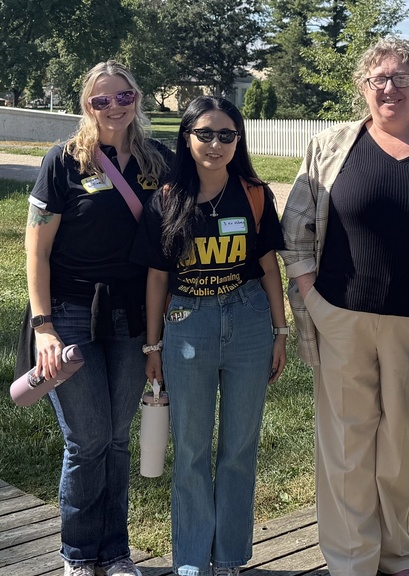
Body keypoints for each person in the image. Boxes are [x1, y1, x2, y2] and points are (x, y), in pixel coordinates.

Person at [279, 37, 409, 576]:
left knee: (397, 446)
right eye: (378, 79)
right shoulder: (330, 145)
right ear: (363, 89)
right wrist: (313, 297)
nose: (389, 88)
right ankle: (352, 560)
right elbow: (295, 229)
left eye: (400, 78)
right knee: (347, 446)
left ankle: (396, 552)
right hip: (341, 315)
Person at [22, 60, 173, 576]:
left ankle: (115, 552)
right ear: (86, 106)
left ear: (138, 98)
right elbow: (36, 252)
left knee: (115, 438)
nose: (114, 107)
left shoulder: (159, 163)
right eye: (101, 100)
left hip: (133, 318)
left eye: (123, 96)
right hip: (67, 313)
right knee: (87, 440)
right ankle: (79, 554)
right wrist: (43, 325)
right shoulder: (63, 162)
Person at [131, 96, 287, 576]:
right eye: (205, 134)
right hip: (186, 326)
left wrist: (281, 331)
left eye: (226, 135)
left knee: (239, 448)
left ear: (238, 141)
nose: (215, 144)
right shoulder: (166, 197)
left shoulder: (255, 194)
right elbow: (157, 277)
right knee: (192, 451)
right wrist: (152, 346)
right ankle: (193, 560)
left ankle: (232, 558)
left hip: (248, 323)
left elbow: (267, 267)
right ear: (186, 137)